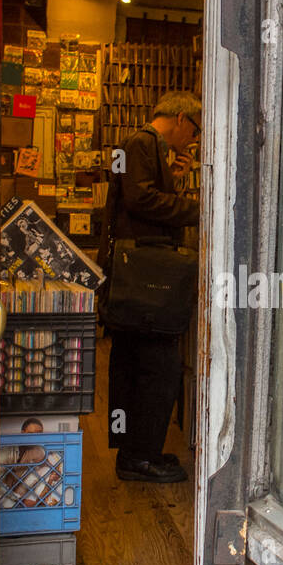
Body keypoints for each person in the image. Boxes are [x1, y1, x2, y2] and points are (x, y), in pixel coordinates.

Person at [103, 91, 201, 484]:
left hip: (134, 274)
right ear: (180, 118)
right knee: (158, 365)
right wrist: (197, 207)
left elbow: (136, 201)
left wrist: (173, 179)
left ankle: (134, 453)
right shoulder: (141, 143)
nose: (192, 139)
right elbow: (140, 199)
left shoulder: (137, 145)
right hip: (143, 275)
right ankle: (139, 456)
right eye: (193, 130)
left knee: (135, 364)